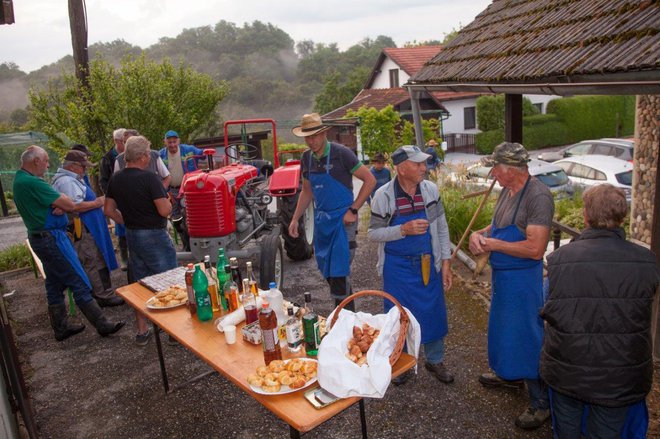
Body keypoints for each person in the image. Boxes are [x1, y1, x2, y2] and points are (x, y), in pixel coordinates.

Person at [540, 184, 659, 438]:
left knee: (567, 431)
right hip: (620, 375)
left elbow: (546, 303)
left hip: (568, 368)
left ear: (585, 216)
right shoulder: (647, 261)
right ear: (622, 217)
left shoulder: (561, 259)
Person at [468, 142, 554, 430]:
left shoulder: (538, 196)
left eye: (496, 168)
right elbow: (498, 226)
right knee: (504, 330)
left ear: (511, 170)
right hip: (503, 276)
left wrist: (492, 244)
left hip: (523, 280)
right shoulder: (507, 190)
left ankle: (541, 403)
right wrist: (480, 235)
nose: (493, 173)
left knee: (528, 337)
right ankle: (510, 375)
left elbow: (535, 248)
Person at [13, 145, 125, 341]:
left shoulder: (20, 179)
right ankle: (102, 324)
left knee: (54, 283)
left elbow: (63, 202)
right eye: (46, 160)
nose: (48, 165)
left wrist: (59, 203)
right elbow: (70, 204)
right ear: (36, 161)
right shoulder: (33, 182)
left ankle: (61, 327)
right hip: (51, 238)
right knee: (78, 279)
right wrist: (62, 203)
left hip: (41, 236)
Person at [368, 145, 453, 385]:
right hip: (397, 267)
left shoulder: (431, 191)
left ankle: (434, 360)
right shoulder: (383, 196)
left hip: (427, 263)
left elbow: (442, 228)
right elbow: (373, 233)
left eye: (424, 163)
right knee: (398, 315)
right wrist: (402, 230)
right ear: (401, 168)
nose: (423, 168)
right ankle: (401, 361)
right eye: (417, 164)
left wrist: (445, 262)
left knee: (433, 311)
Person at [288, 113, 376, 307]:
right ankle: (345, 316)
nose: (311, 141)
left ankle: (345, 319)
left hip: (343, 221)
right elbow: (307, 190)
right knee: (327, 270)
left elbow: (370, 180)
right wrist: (295, 219)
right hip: (323, 222)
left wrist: (353, 210)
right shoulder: (306, 158)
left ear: (323, 133)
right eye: (307, 137)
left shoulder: (341, 153)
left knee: (339, 272)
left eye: (314, 136)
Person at [104, 136, 177, 346]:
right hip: (154, 234)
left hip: (132, 235)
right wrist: (170, 205)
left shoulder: (116, 179)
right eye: (148, 154)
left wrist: (126, 221)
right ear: (143, 156)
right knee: (169, 282)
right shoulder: (149, 178)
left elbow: (108, 210)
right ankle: (173, 332)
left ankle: (142, 330)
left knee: (139, 283)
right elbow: (164, 210)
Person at [51, 150, 124, 307]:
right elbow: (74, 206)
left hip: (89, 225)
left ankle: (104, 291)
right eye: (83, 166)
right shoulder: (66, 182)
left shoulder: (73, 179)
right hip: (82, 227)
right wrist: (97, 202)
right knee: (91, 259)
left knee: (98, 257)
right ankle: (102, 295)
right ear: (73, 166)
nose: (86, 170)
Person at [158, 130, 204, 251]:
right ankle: (186, 244)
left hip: (188, 189)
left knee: (191, 216)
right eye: (169, 142)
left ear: (178, 141)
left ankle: (196, 244)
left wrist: (209, 155)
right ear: (165, 143)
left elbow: (203, 153)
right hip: (171, 191)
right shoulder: (161, 155)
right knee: (176, 218)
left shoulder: (188, 150)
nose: (172, 145)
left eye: (174, 142)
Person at [100, 128, 129, 270]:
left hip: (131, 195)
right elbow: (104, 180)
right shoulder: (108, 158)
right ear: (117, 141)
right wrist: (112, 196)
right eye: (124, 141)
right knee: (121, 226)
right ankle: (124, 257)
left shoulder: (132, 153)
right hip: (117, 197)